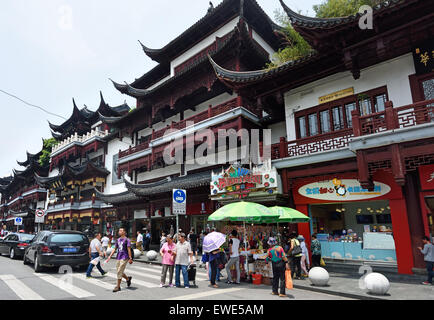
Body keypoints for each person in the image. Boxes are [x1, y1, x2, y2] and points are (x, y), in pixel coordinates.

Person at [106, 228, 133, 292]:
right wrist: (109, 256)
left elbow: (129, 249)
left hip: (125, 257)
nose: (119, 232)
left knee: (119, 271)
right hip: (119, 257)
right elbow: (114, 249)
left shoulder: (127, 240)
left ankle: (118, 286)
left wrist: (130, 258)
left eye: (121, 230)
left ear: (124, 232)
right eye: (119, 230)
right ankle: (127, 279)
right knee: (119, 271)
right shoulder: (117, 240)